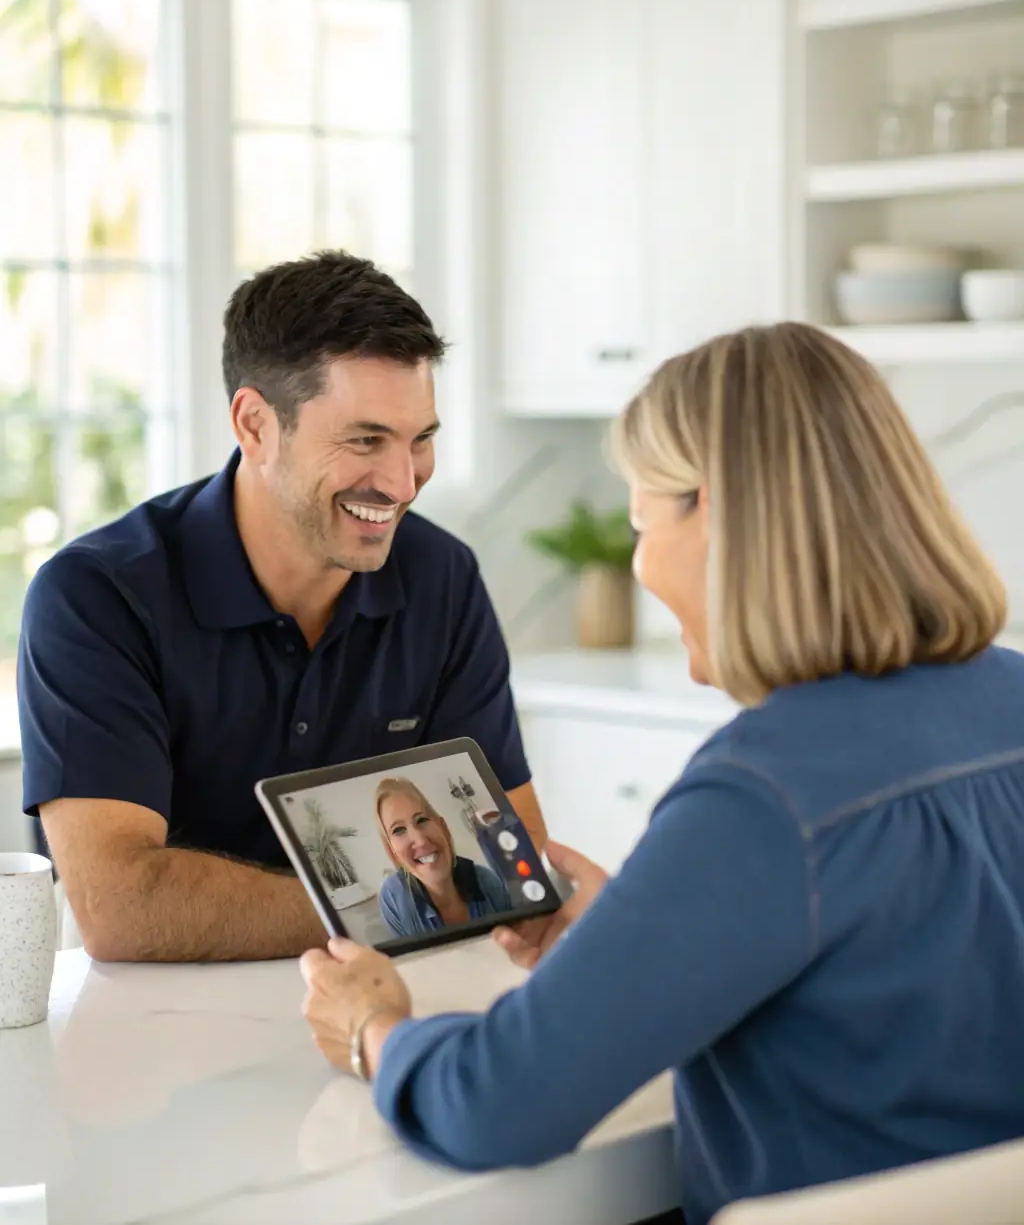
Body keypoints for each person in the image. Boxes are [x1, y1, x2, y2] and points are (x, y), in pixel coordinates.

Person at [301, 322, 1024, 1225]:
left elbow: (495, 1103)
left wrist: (376, 1027)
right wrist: (635, 929)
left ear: (714, 513)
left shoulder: (764, 796)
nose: (640, 567)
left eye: (642, 524)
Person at [18, 250, 546, 964]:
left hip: (382, 1013)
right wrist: (401, 904)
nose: (402, 481)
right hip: (159, 1039)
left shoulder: (442, 577)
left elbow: (516, 864)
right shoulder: (96, 598)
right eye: (365, 440)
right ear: (256, 425)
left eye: (421, 439)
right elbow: (120, 904)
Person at [373, 777, 511, 938]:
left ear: (443, 828)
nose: (421, 841)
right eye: (398, 830)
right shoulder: (393, 897)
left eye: (422, 820)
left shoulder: (489, 883)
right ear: (391, 852)